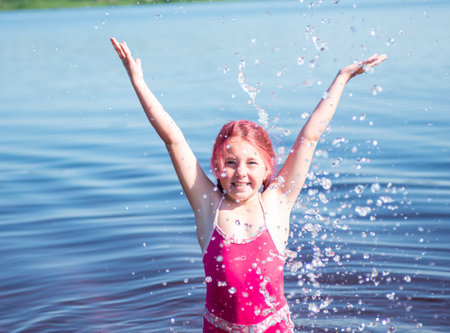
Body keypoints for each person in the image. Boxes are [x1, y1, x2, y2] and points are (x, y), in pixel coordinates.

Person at [110, 37, 386, 332]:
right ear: (216, 167)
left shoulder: (277, 203)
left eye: (252, 163)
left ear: (269, 167)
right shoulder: (207, 206)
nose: (240, 172)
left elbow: (309, 137)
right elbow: (173, 138)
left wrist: (341, 78)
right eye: (230, 163)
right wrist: (137, 81)